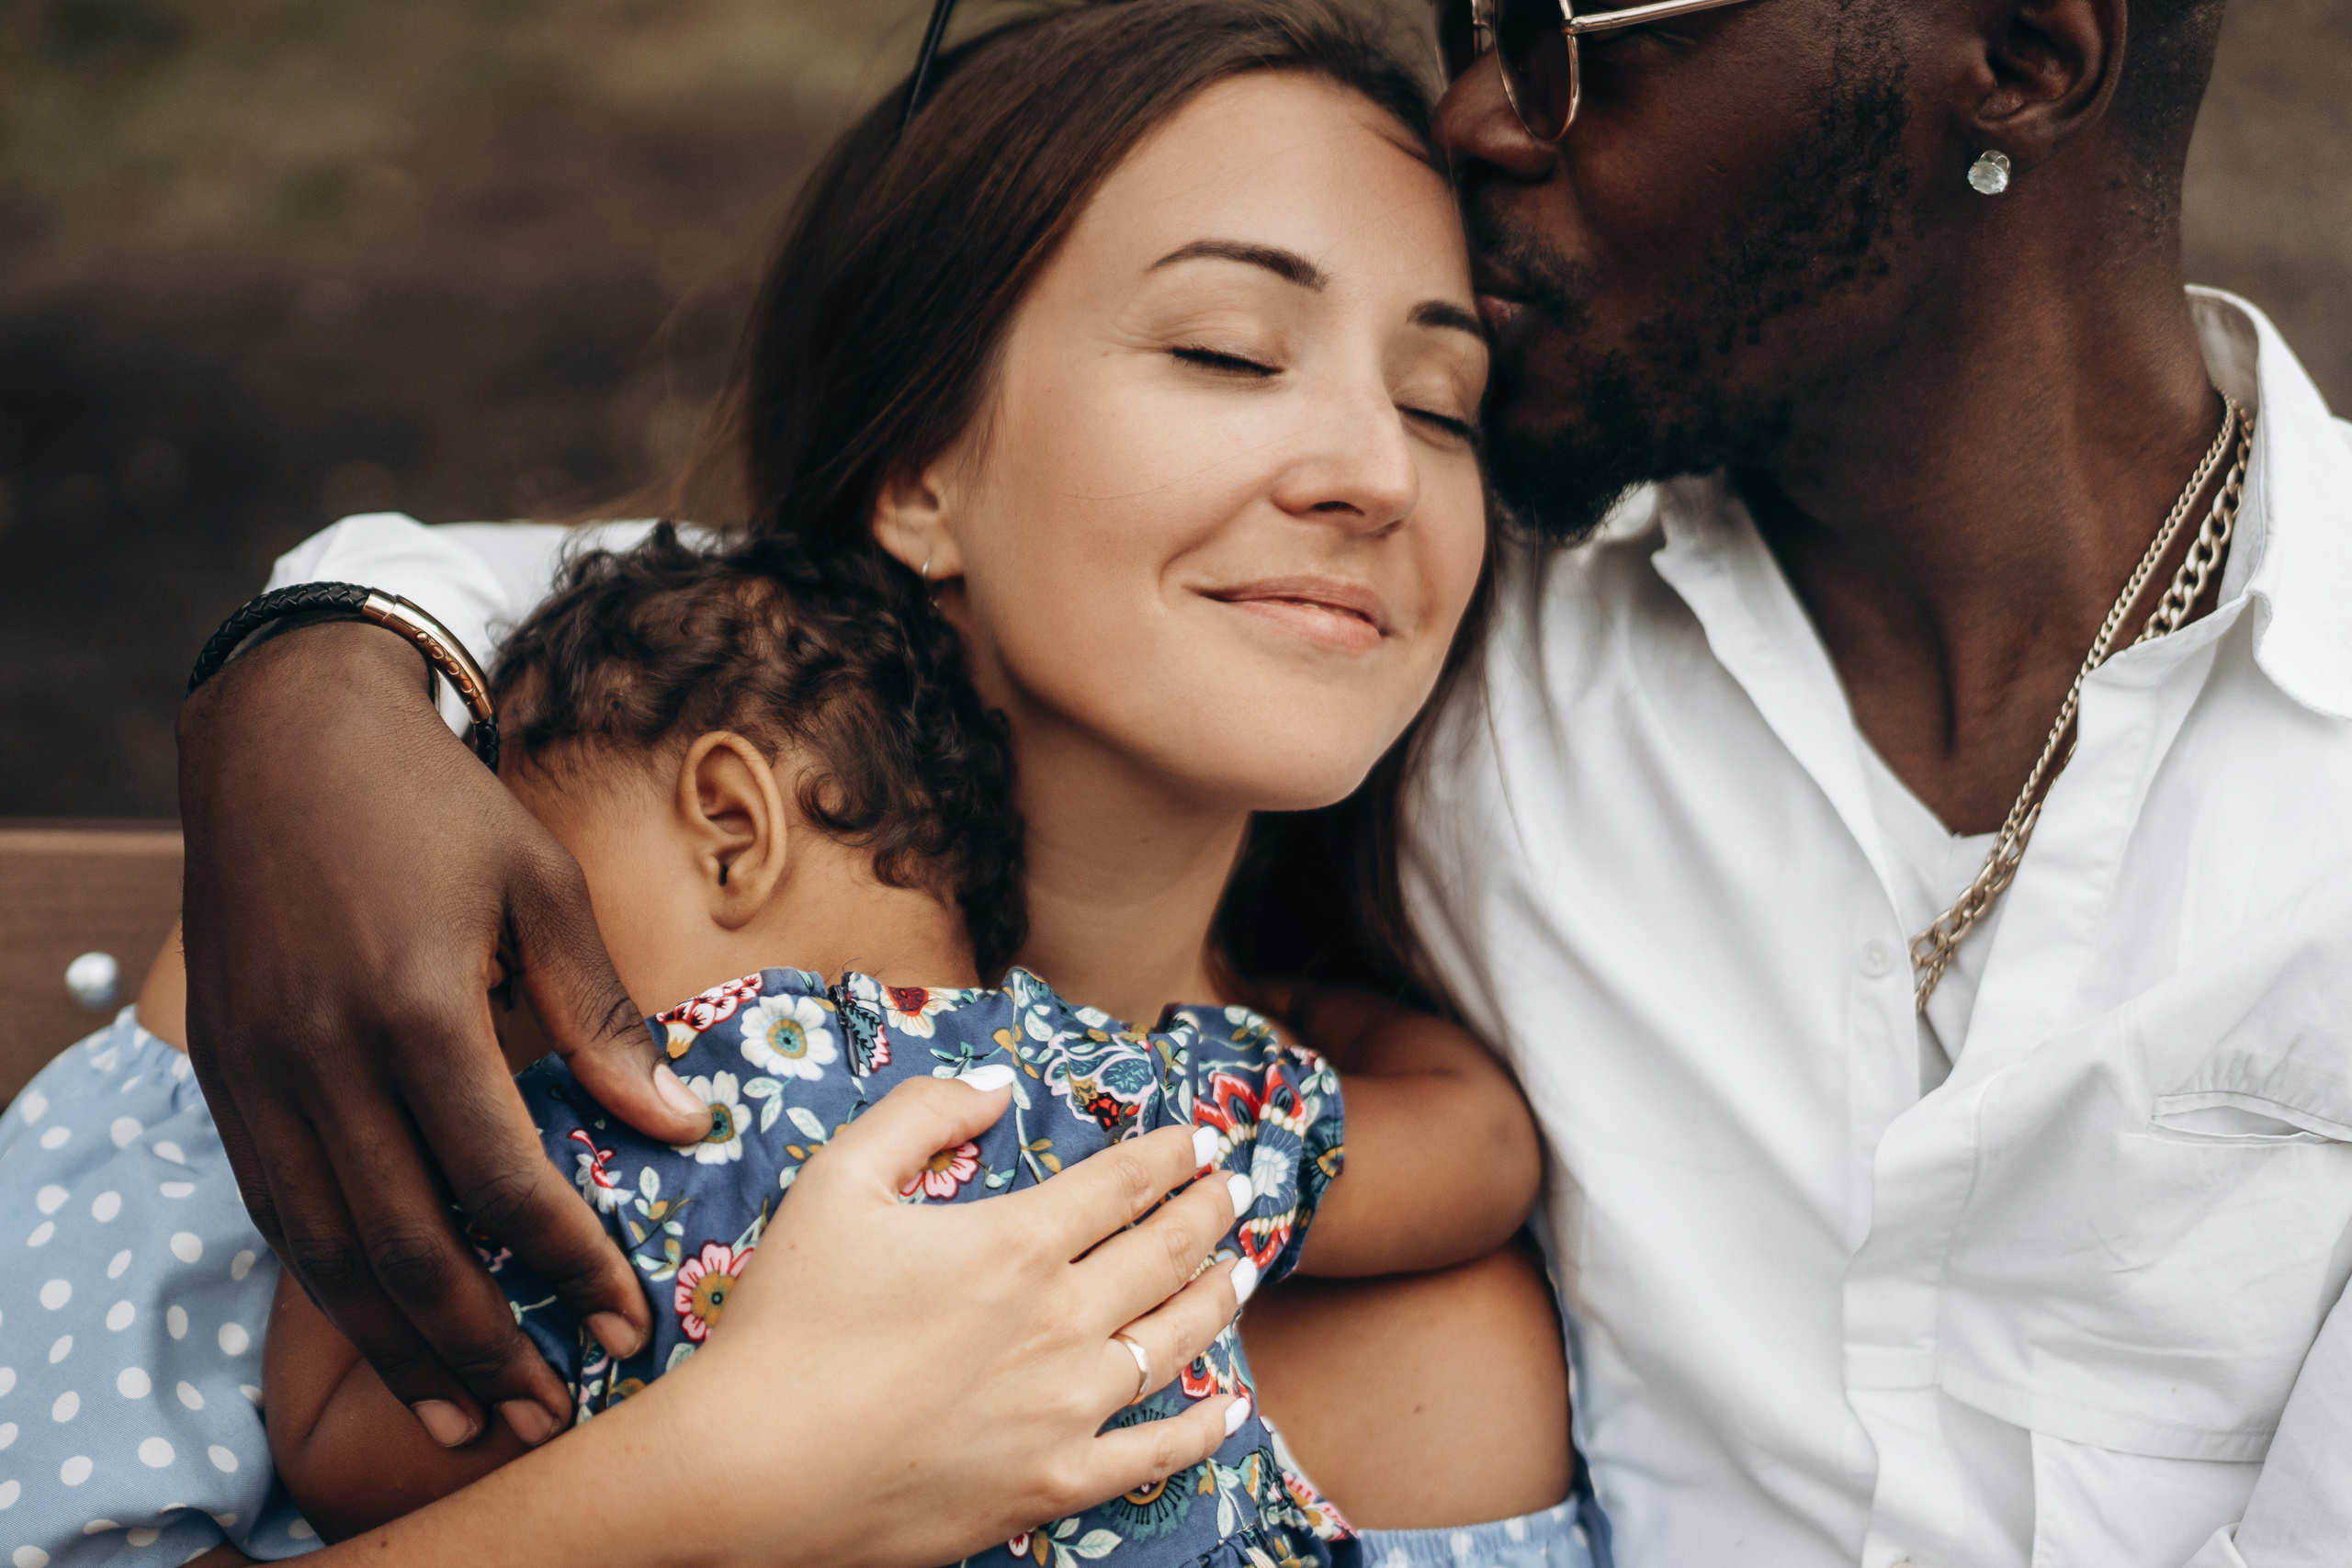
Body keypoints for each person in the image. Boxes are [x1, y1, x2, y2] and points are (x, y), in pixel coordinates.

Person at [1, 4, 1577, 1564]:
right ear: (919, 473)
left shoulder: (1422, 1334)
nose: (1376, 469)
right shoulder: (383, 953)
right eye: (1228, 350)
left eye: (1444, 406)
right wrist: (734, 1475)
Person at [1392, 0, 2351, 1564]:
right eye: (1472, 18)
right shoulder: (1431, 649)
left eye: (1575, 29)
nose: (1482, 115)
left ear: (2027, 58)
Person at [260, 529, 1541, 1557]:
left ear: (729, 819)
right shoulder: (1113, 1092)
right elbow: (1478, 1147)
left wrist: (376, 1107)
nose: (497, 986)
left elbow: (331, 1454)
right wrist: (1290, 1011)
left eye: (509, 921)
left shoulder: (593, 1163)